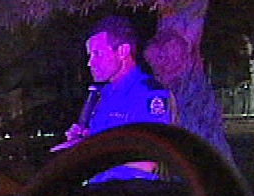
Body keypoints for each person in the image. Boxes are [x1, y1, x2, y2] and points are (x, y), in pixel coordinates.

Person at [60, 16, 174, 181]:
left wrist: (93, 147)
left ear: (123, 51)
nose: (90, 63)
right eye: (90, 55)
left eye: (97, 53)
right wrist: (82, 139)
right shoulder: (103, 93)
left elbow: (149, 163)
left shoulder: (148, 94)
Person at [144, 27, 234, 162]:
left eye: (157, 63)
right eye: (152, 65)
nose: (156, 71)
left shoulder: (192, 92)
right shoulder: (175, 89)